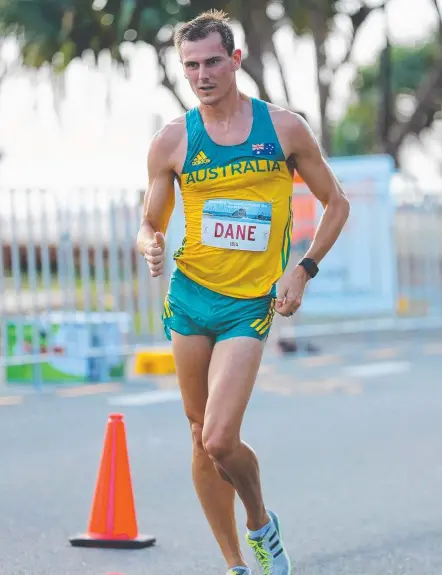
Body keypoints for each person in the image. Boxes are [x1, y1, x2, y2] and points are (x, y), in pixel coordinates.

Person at [137, 9, 350, 575]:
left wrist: (302, 268)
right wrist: (150, 244)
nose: (202, 74)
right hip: (190, 298)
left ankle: (261, 524)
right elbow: (150, 222)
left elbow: (338, 204)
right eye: (190, 66)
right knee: (198, 437)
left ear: (234, 61)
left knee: (220, 438)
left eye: (212, 62)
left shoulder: (283, 129)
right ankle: (235, 564)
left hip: (249, 305)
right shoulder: (172, 141)